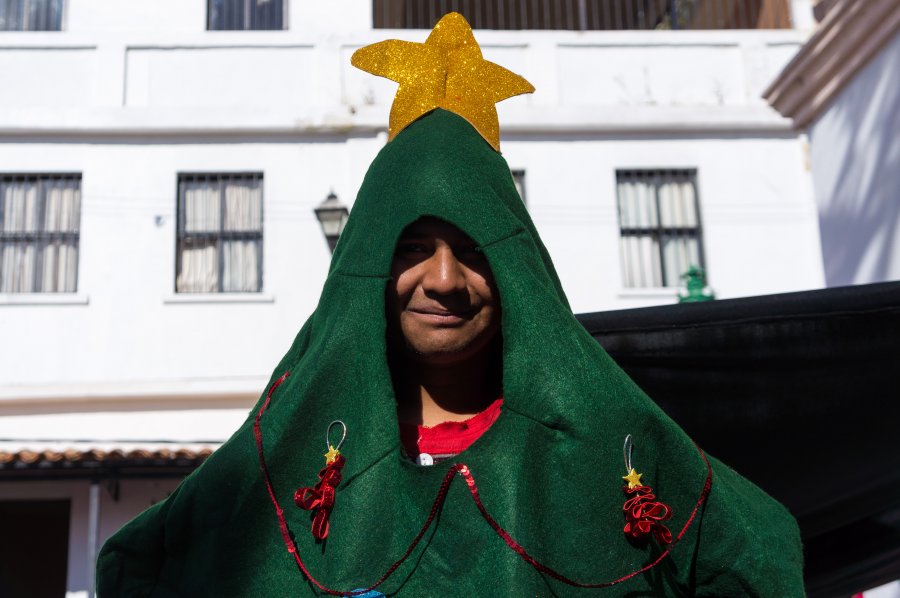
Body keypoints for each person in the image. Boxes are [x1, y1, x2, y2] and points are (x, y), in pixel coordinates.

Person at [98, 14, 804, 596]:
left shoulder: (603, 441)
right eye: (413, 248)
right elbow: (145, 560)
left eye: (472, 249)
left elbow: (755, 549)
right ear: (369, 267)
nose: (444, 279)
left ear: (515, 266)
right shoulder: (292, 455)